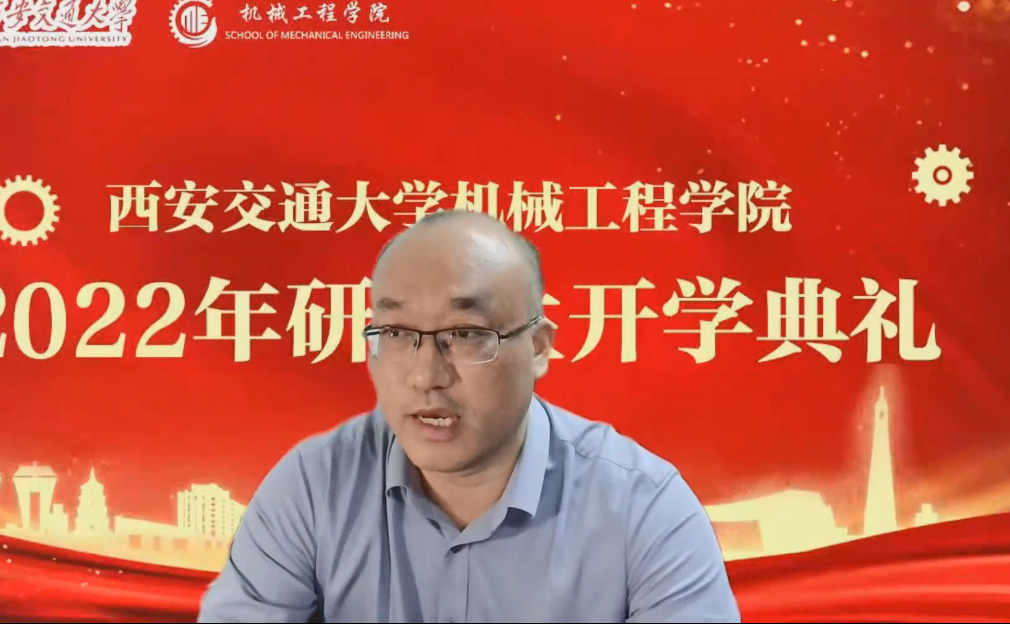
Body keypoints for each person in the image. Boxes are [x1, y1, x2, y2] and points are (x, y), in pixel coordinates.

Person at [198, 211, 740, 623]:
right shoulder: (315, 485)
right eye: (396, 333)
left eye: (466, 335)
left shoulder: (643, 507)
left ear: (539, 347)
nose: (426, 375)